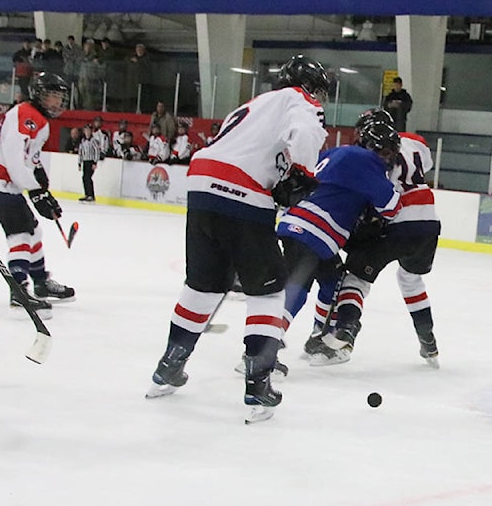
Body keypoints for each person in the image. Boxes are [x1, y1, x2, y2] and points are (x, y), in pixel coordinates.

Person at [145, 54, 328, 424]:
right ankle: (258, 383)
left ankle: (168, 367)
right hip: (243, 191)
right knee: (270, 290)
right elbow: (306, 134)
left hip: (201, 186)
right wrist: (303, 175)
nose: (319, 99)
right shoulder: (297, 99)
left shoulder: (251, 106)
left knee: (203, 285)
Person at [312, 109, 442, 367]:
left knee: (355, 278)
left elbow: (375, 187)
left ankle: (345, 336)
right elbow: (422, 166)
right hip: (429, 221)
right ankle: (428, 343)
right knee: (410, 279)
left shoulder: (369, 150)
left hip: (397, 222)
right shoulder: (416, 142)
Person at [277, 119, 402, 359]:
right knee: (297, 288)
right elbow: (391, 207)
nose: (387, 158)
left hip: (302, 224)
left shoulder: (338, 152)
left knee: (333, 281)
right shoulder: (365, 160)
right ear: (371, 146)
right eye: (385, 151)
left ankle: (318, 336)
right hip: (315, 231)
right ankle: (263, 347)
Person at [0, 71, 76, 311]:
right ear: (38, 94)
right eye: (51, 96)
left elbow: (28, 161)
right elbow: (13, 161)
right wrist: (36, 191)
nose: (56, 102)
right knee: (20, 234)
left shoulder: (38, 119)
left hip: (5, 183)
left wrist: (40, 183)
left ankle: (41, 282)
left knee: (33, 230)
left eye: (59, 97)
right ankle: (19, 289)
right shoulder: (25, 114)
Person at [77, 124, 100, 202]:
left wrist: (95, 162)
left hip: (91, 161)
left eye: (88, 130)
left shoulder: (93, 141)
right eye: (86, 130)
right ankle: (87, 194)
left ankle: (91, 195)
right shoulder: (83, 141)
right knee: (84, 177)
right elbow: (80, 152)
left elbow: (97, 151)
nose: (87, 132)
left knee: (88, 177)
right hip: (85, 161)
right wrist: (79, 163)